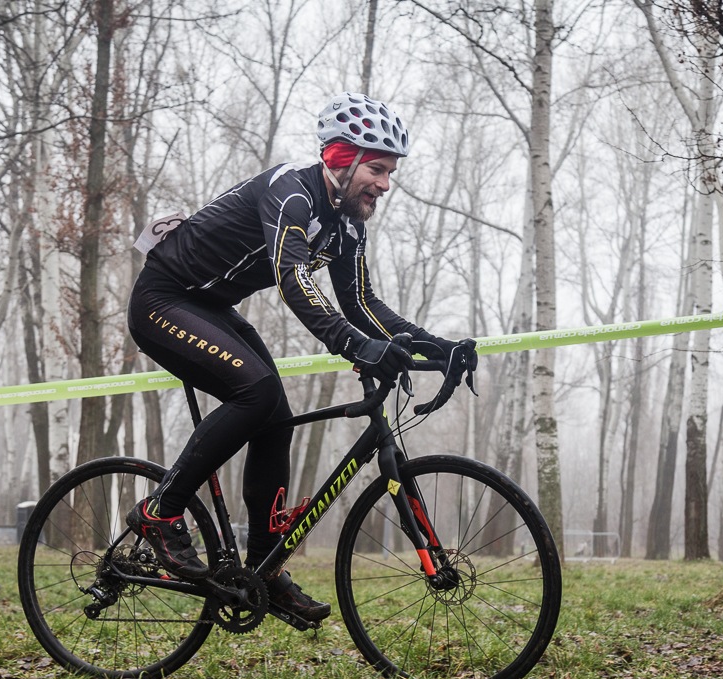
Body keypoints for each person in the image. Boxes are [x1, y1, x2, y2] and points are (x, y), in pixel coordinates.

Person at [125, 92, 472, 622]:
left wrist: (434, 346)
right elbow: (294, 281)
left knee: (276, 414)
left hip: (209, 306)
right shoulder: (292, 192)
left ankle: (264, 566)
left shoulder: (348, 223)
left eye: (390, 172)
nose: (385, 184)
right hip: (163, 301)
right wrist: (355, 346)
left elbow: (361, 302)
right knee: (257, 391)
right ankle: (160, 510)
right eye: (377, 170)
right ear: (341, 159)